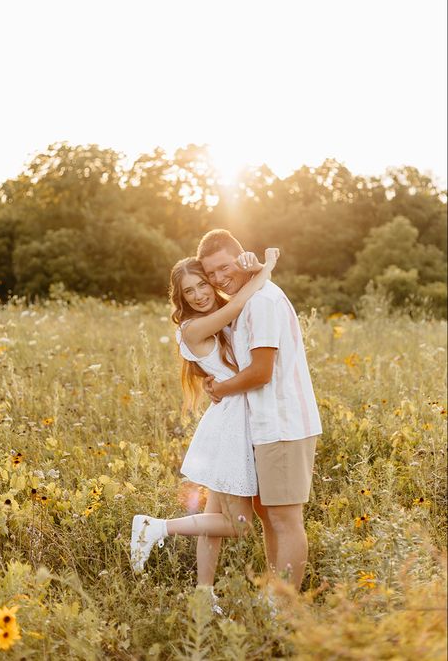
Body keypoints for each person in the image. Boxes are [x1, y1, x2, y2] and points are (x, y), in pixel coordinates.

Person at [130, 248, 280, 604]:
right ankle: (156, 527)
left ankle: (203, 595)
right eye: (189, 292)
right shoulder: (194, 327)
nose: (199, 295)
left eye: (202, 285)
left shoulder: (215, 320)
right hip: (230, 427)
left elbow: (246, 300)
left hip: (230, 419)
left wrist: (255, 270)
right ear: (179, 299)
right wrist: (268, 265)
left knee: (214, 518)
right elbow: (242, 299)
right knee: (237, 525)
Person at [197, 229, 322, 591]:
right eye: (212, 274)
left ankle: (283, 610)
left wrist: (220, 388)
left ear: (240, 257)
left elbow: (261, 372)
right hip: (264, 426)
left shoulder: (262, 302)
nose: (219, 279)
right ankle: (275, 599)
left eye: (224, 268)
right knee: (270, 519)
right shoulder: (248, 299)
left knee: (285, 520)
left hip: (283, 424)